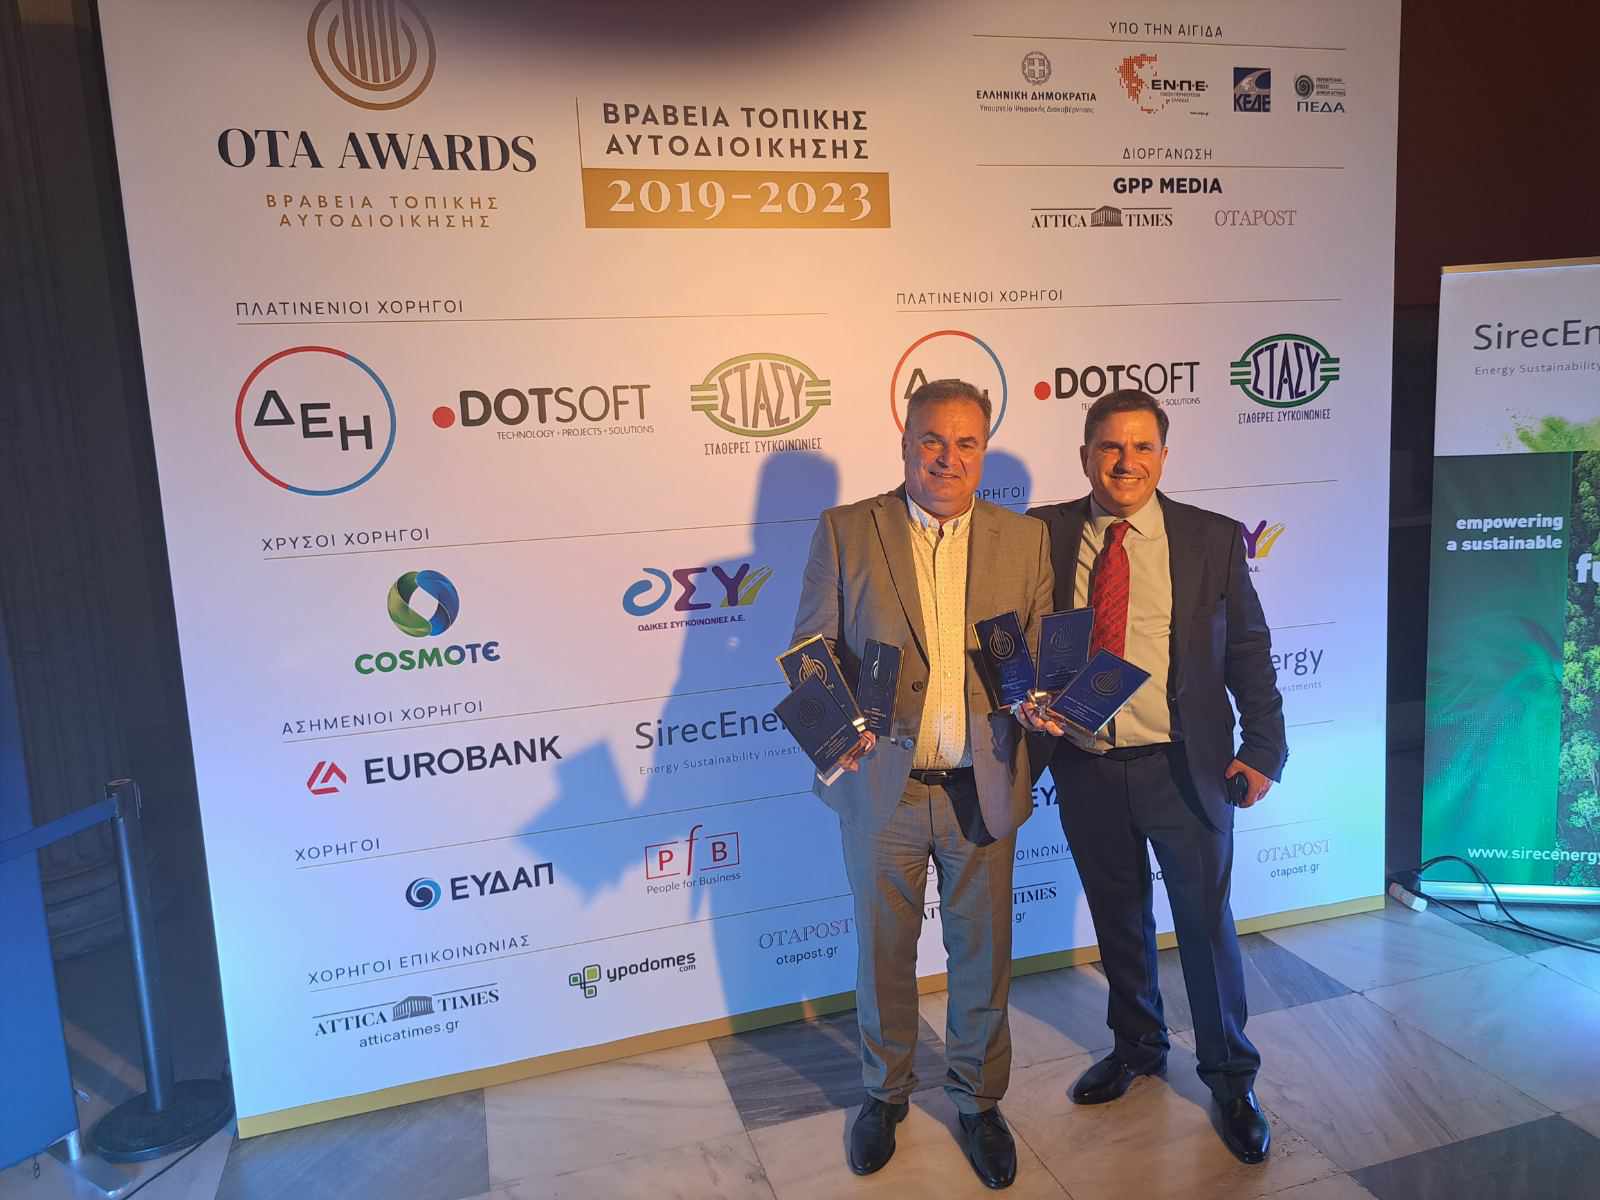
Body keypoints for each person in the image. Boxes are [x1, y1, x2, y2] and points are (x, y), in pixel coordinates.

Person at [788, 378, 1053, 1189]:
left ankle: (978, 1099)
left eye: (966, 442)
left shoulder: (1025, 539)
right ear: (905, 444)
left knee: (984, 956)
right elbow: (810, 652)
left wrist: (1046, 702)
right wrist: (838, 730)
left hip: (983, 785)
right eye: (932, 439)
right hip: (884, 790)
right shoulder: (846, 530)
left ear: (983, 451)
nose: (947, 457)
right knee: (883, 954)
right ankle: (885, 1093)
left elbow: (1040, 656)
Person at [1026, 389, 1287, 1164]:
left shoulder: (1210, 537)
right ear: (1085, 456)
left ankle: (1231, 1079)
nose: (1126, 462)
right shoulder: (1042, 533)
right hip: (1086, 764)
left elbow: (1248, 647)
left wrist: (1263, 748)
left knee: (1204, 926)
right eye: (1110, 446)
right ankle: (1138, 1046)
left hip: (1184, 764)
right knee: (1119, 918)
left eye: (1142, 447)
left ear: (1164, 457)